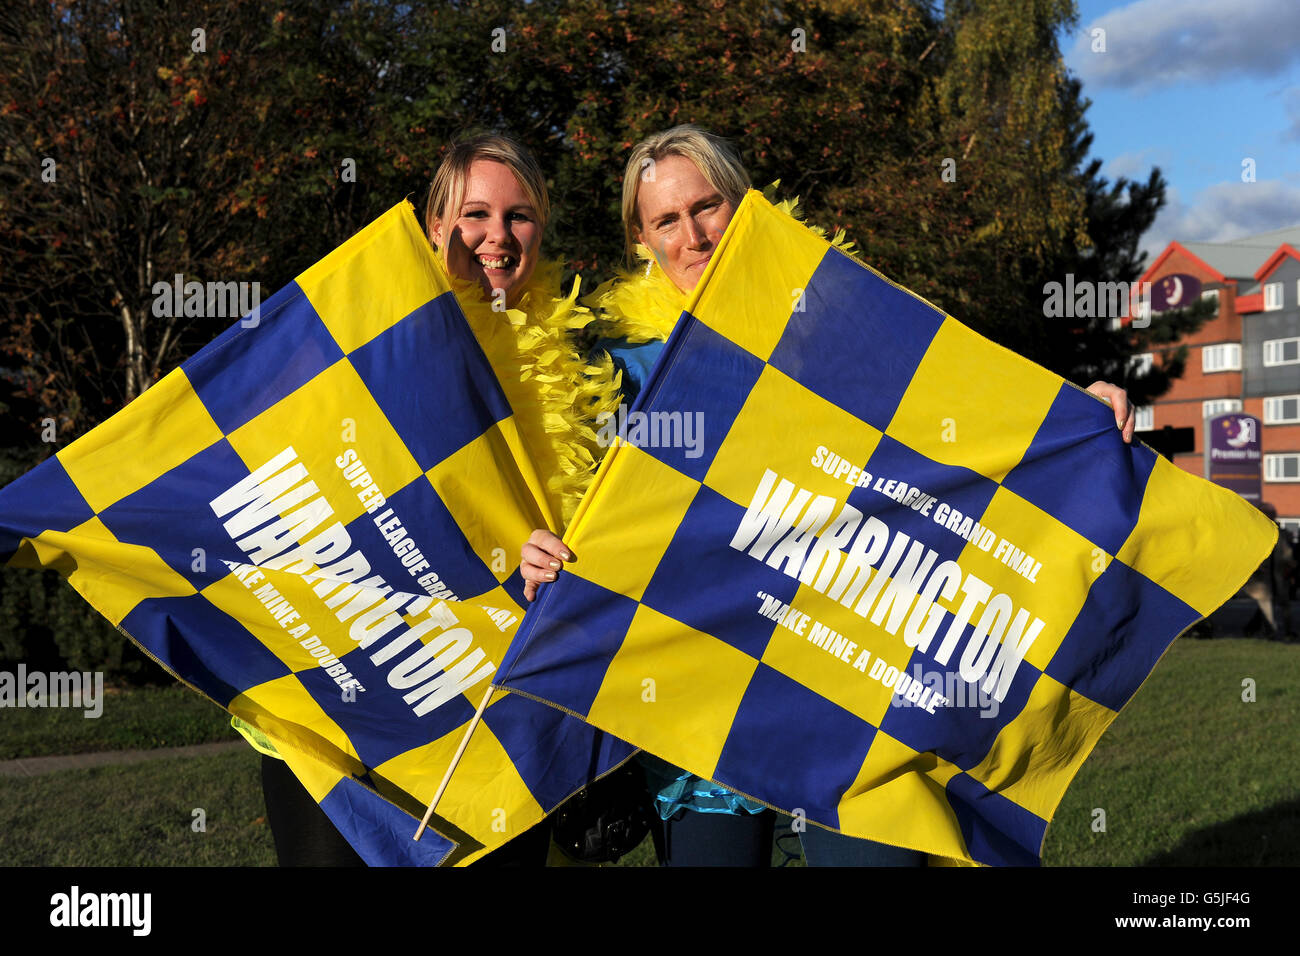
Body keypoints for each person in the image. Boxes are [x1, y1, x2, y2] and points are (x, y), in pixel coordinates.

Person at [520, 124, 1137, 866]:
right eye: (666, 220)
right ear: (640, 240)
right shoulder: (615, 372)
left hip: (846, 686)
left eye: (707, 206)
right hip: (705, 705)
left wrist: (1072, 411)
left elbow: (956, 422)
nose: (694, 234)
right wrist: (542, 551)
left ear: (744, 205)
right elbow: (576, 508)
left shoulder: (840, 321)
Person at [246, 131, 621, 866]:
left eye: (520, 216)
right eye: (474, 214)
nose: (497, 236)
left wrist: (557, 558)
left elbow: (595, 536)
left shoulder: (575, 372)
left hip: (490, 727)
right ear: (432, 229)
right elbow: (273, 472)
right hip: (340, 713)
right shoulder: (356, 337)